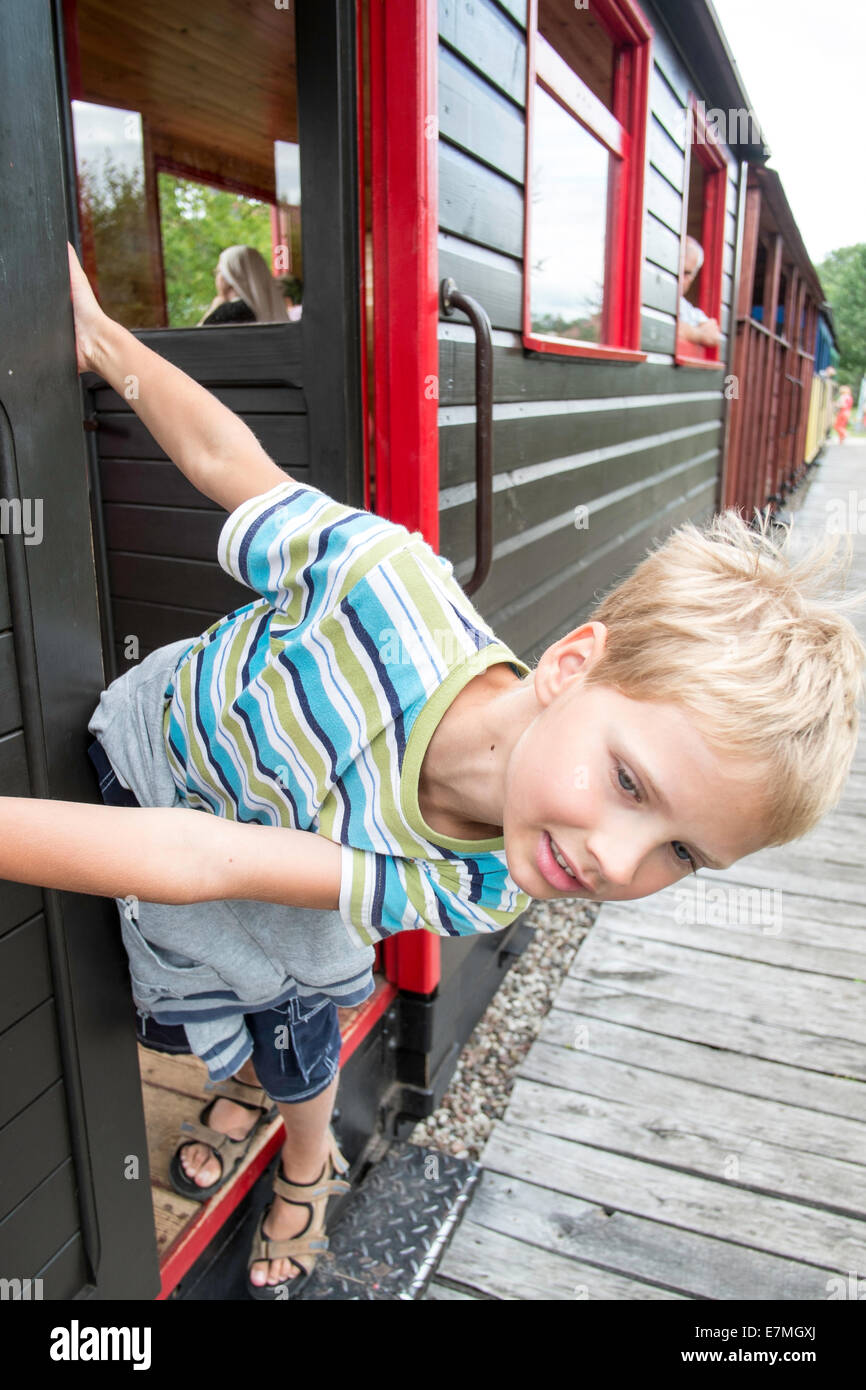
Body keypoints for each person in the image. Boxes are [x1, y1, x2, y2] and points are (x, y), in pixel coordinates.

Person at [10, 243, 866, 1297]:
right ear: (570, 664)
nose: (614, 859)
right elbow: (232, 468)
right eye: (631, 785)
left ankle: (302, 1155)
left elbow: (208, 859)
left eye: (681, 853)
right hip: (159, 747)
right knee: (212, 991)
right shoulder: (383, 589)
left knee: (283, 1004)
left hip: (258, 851)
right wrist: (101, 339)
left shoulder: (485, 879)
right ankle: (264, 1103)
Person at [198, 245, 290, 326]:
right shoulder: (268, 307)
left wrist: (214, 308)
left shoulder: (229, 313)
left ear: (230, 275)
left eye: (218, 272)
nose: (217, 277)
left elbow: (195, 340)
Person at [678, 235, 722, 349]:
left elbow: (714, 335)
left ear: (694, 276)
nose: (680, 279)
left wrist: (686, 331)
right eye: (677, 269)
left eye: (687, 273)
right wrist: (696, 334)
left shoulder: (689, 311)